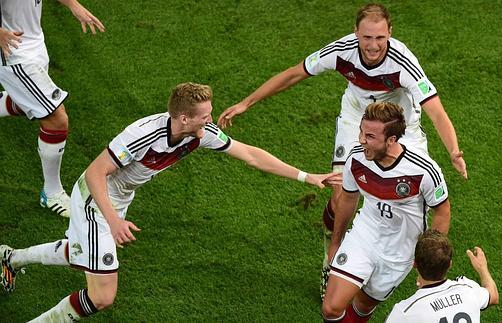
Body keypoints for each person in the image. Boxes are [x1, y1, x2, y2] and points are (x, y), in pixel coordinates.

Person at [0, 82, 340, 322]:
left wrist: (305, 176)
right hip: (95, 201)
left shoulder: (199, 134)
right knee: (102, 296)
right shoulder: (142, 134)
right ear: (183, 118)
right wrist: (113, 220)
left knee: (82, 257)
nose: (211, 120)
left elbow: (249, 155)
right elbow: (95, 174)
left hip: (117, 201)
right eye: (205, 116)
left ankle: (11, 258)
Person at [217, 3, 466, 297]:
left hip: (401, 128)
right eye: (366, 38)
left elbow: (434, 110)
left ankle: (407, 257)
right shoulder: (340, 51)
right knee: (340, 197)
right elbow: (295, 73)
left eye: (380, 38)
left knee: (411, 194)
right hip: (357, 120)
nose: (373, 46)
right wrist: (248, 102)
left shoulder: (403, 63)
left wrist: (453, 150)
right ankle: (331, 259)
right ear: (355, 33)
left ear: (390, 33)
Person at [321, 102, 451, 322]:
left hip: (399, 252)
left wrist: (426, 257)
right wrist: (336, 241)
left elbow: (442, 212)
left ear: (391, 140)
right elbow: (348, 199)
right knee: (331, 309)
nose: (362, 139)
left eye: (370, 136)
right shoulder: (357, 158)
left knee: (362, 306)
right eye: (362, 131)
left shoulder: (423, 170)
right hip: (364, 237)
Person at [0, 0, 105, 217]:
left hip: (33, 41)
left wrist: (73, 5)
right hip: (12, 52)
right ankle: (52, 192)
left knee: (27, 102)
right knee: (56, 119)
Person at [385, 230, 499, 322]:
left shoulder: (405, 312)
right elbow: (493, 296)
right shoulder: (468, 289)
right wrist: (482, 268)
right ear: (450, 265)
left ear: (414, 264)